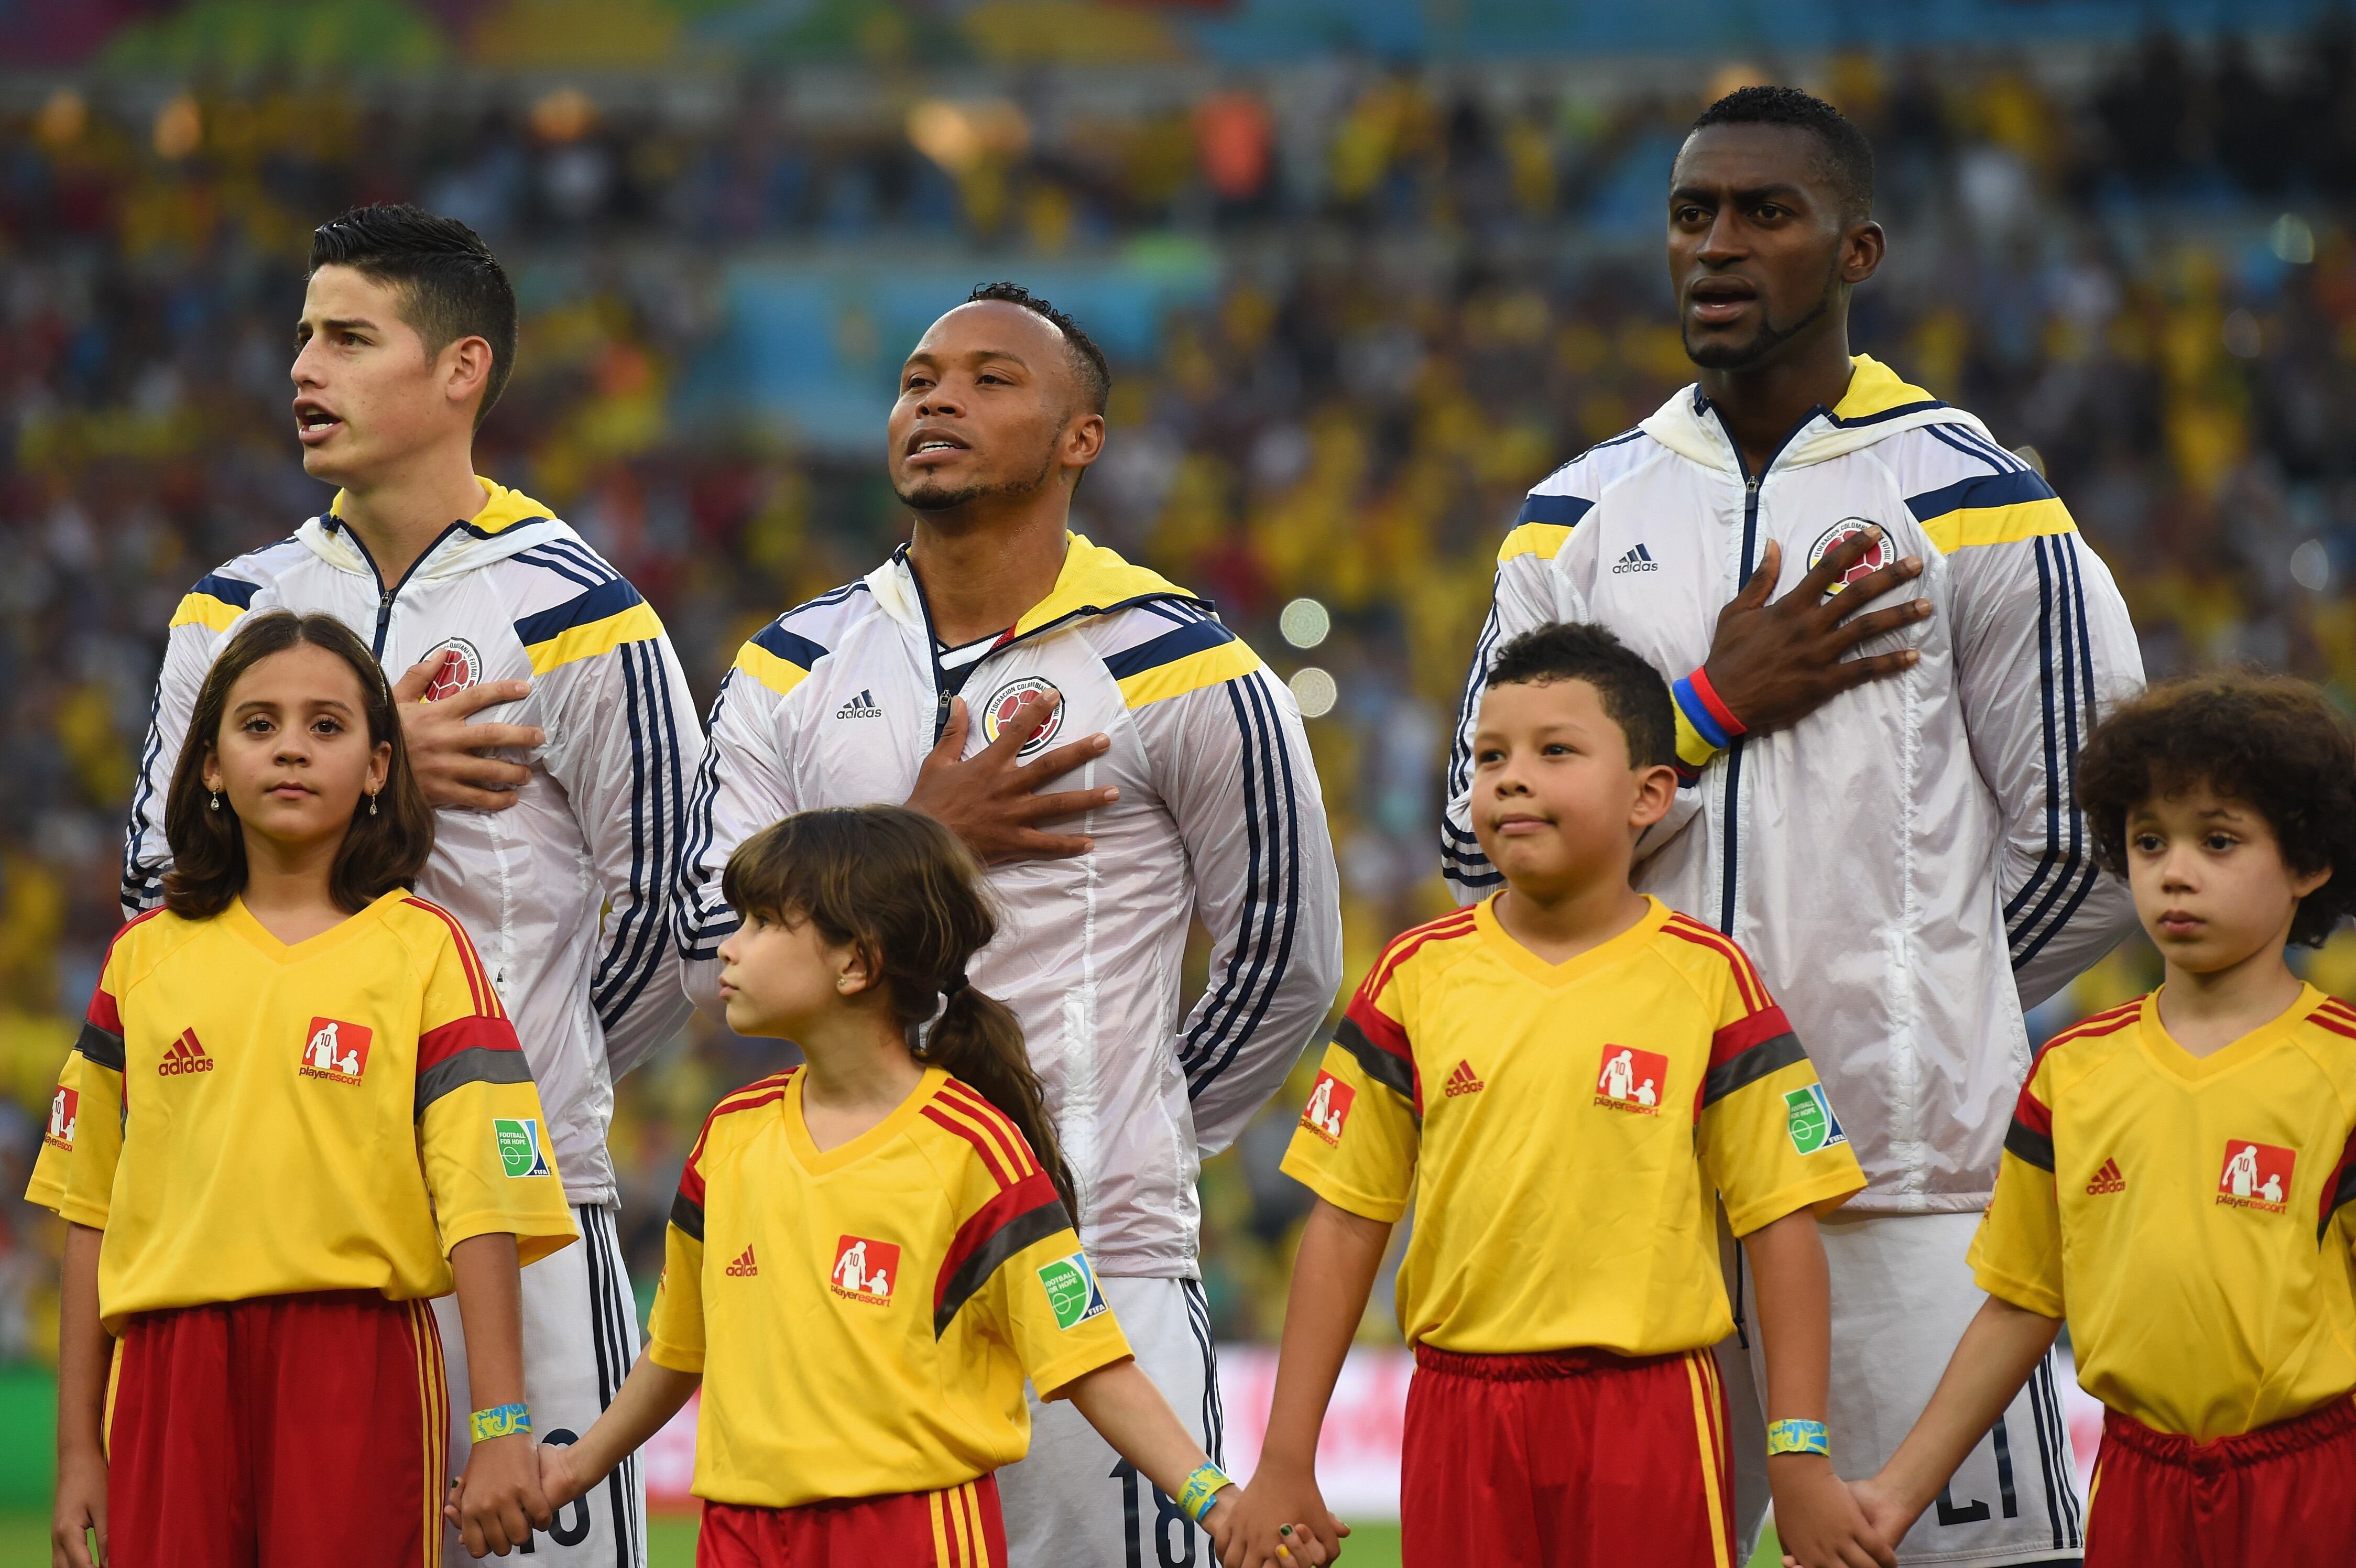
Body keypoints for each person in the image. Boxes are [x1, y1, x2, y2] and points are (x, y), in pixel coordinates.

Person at [1444, 85, 2144, 1565]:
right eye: (1694, 215)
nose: (1718, 245)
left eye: (1767, 214)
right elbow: (1473, 846)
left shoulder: (1982, 506)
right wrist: (1697, 709)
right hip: (1636, 1186)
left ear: (1857, 250)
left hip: (1900, 1181)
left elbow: (2097, 840)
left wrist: (1915, 995)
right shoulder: (1569, 519)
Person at [679, 284, 1342, 1566]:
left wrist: (1124, 1129)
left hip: (1095, 1249)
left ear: (1080, 438)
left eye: (990, 379)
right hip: (837, 1262)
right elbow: (715, 940)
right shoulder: (788, 664)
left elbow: (1286, 959)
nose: (936, 397)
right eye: (919, 375)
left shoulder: (1188, 665)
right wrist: (917, 838)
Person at [114, 203, 700, 1564]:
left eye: (349, 338)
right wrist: (373, 760)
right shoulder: (231, 609)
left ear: (461, 372)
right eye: (302, 336)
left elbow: (672, 918)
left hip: (528, 1216)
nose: (303, 370)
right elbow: (157, 896)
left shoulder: (581, 613)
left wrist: (500, 1080)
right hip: (290, 1243)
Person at [1231, 624, 1882, 1568]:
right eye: (1491, 756)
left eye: (1556, 751)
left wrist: (1799, 1453)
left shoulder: (1708, 980)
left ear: (1649, 795)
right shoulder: (1414, 976)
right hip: (1461, 1412)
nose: (1511, 778)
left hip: (1651, 1410)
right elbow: (1343, 1224)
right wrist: (1287, 1456)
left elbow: (1781, 1226)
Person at [470, 805, 1257, 1565]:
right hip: (739, 1538)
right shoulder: (729, 1136)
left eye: (765, 922)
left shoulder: (973, 1150)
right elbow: (678, 1352)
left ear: (857, 962)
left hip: (911, 1534)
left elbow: (1090, 1365)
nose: (730, 950)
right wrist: (576, 1468)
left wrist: (1215, 1501)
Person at [34, 611, 580, 1568]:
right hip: (168, 1369)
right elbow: (90, 1219)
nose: (291, 747)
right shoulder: (139, 963)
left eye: (326, 726)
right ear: (207, 765)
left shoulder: (426, 953)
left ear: (378, 767)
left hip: (357, 1367)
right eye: (257, 725)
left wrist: (501, 1422)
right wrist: (80, 1448)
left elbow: (483, 1204)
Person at [1845, 674, 2356, 1566]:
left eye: (2219, 840)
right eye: (2150, 841)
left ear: (2309, 863)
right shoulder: (2073, 1074)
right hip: (2138, 1487)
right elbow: (2019, 1309)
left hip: (2315, 1485)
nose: (2176, 872)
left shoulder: (2344, 1070)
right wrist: (1892, 1498)